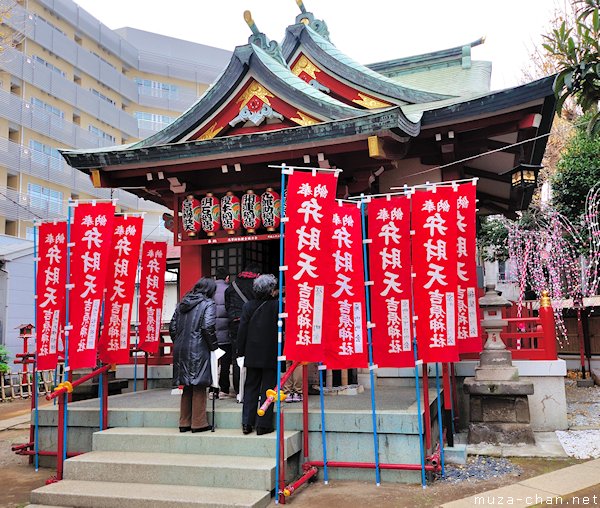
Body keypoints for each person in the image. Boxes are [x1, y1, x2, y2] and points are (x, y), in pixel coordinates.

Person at [169, 277, 218, 433]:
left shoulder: (182, 304)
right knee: (199, 384)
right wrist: (214, 347)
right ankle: (198, 423)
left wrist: (179, 341)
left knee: (187, 386)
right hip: (199, 347)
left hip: (181, 347)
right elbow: (207, 327)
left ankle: (184, 421)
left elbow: (172, 327)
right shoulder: (208, 304)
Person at [237, 274, 278, 435]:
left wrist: (240, 352)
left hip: (252, 353)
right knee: (268, 389)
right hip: (270, 352)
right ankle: (263, 424)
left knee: (250, 388)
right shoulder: (277, 306)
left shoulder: (248, 306)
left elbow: (242, 331)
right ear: (270, 290)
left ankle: (247, 423)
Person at [225, 263, 261, 397]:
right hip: (252, 323)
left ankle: (237, 389)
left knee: (237, 357)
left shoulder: (232, 286)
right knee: (253, 355)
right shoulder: (256, 285)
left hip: (234, 324)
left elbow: (227, 305)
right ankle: (252, 388)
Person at [214, 267, 232, 398]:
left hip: (211, 334)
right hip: (226, 331)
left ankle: (212, 390)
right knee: (225, 362)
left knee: (213, 362)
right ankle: (224, 389)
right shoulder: (229, 289)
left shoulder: (209, 290)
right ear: (227, 278)